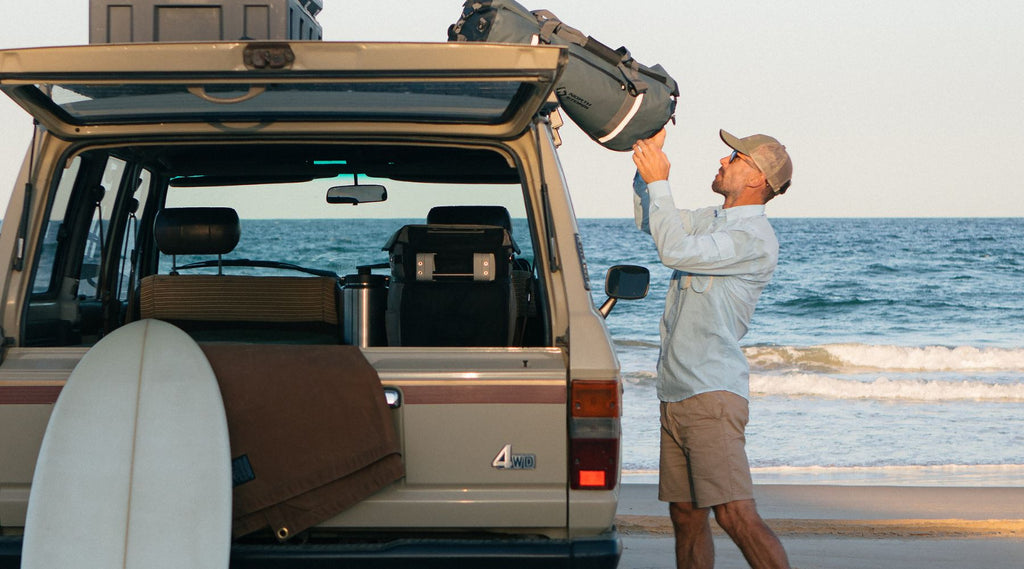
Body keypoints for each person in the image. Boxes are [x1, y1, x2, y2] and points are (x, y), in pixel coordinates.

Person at [631, 128, 793, 569]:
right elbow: (653, 222)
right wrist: (647, 164)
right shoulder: (712, 219)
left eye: (735, 158)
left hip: (711, 395)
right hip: (676, 392)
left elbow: (675, 250)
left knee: (735, 514)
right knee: (685, 515)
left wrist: (661, 180)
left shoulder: (753, 239)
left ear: (758, 179)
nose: (723, 161)